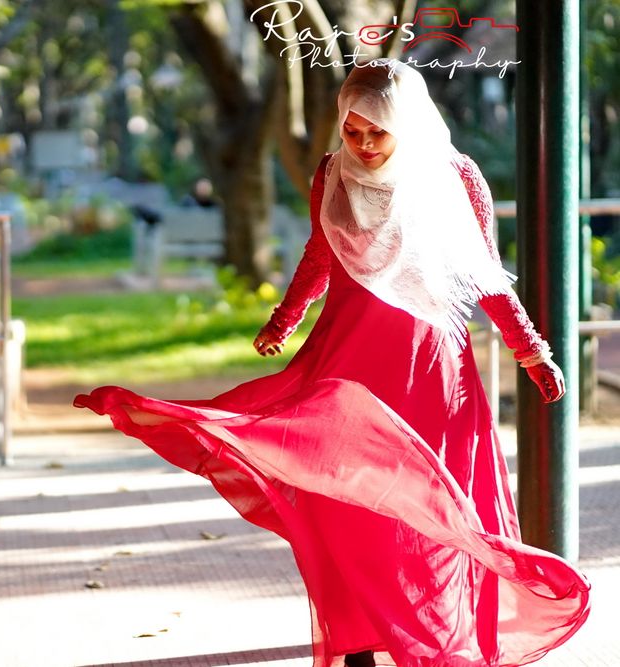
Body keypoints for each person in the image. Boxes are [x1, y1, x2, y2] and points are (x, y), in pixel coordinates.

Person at [74, 59, 589, 667]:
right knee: (345, 505)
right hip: (346, 362)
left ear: (409, 122)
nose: (364, 144)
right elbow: (322, 250)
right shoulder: (331, 174)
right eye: (352, 131)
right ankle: (357, 640)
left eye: (378, 131)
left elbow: (484, 274)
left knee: (438, 506)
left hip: (429, 367)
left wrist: (530, 349)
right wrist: (284, 319)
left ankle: (434, 640)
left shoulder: (455, 175)